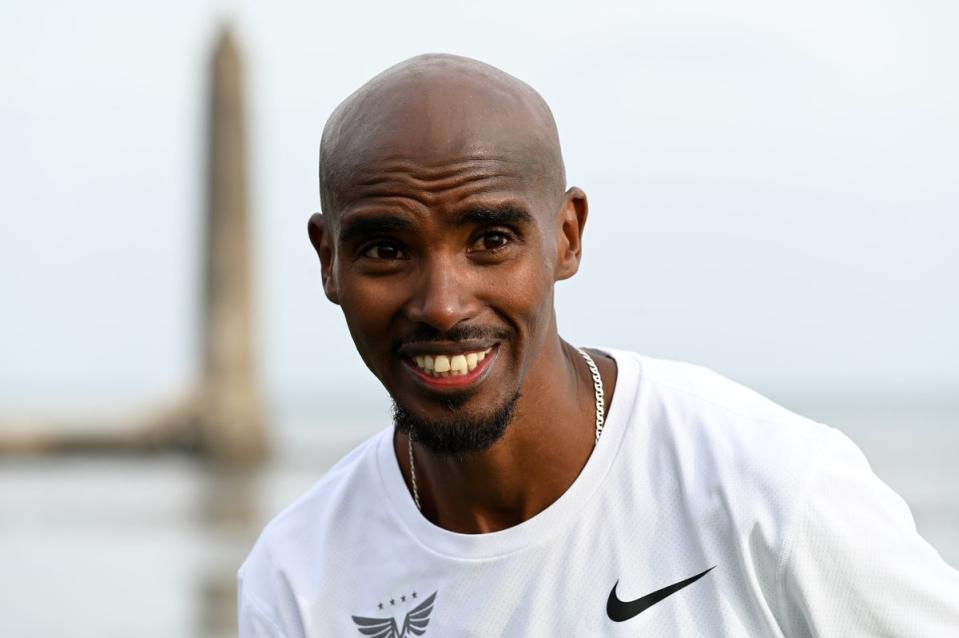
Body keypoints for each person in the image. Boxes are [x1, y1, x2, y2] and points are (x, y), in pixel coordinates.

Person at [238, 54, 959, 637]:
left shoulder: (772, 490)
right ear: (328, 261)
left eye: (490, 239)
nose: (442, 304)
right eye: (386, 249)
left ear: (566, 236)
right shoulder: (298, 577)